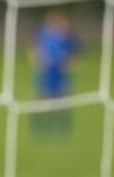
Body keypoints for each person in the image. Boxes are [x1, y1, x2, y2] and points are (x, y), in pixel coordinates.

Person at [31, 10, 80, 138]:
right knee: (43, 96)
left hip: (60, 71)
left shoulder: (67, 36)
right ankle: (40, 126)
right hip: (46, 70)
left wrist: (71, 63)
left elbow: (75, 52)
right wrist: (37, 60)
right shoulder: (43, 33)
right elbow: (34, 49)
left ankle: (61, 128)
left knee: (61, 97)